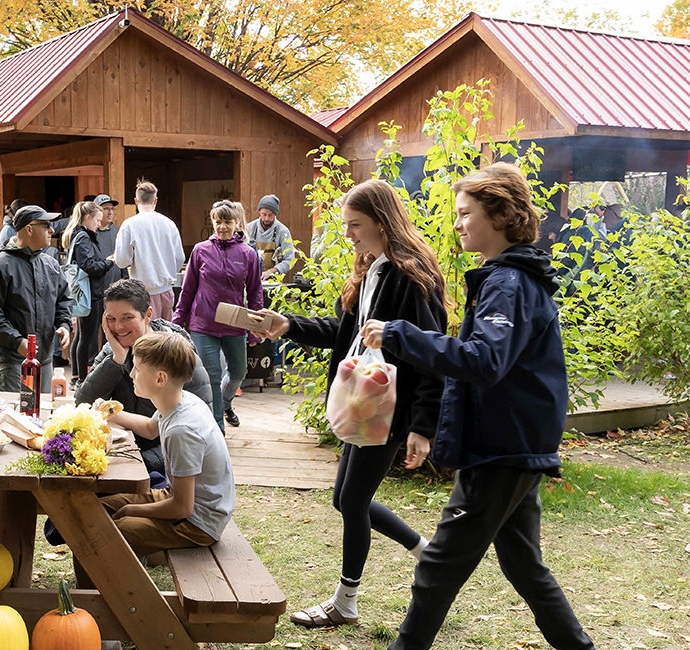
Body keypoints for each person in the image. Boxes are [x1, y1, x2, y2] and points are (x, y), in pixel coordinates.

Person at [360, 163, 595, 650]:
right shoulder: (506, 279)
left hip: (502, 447)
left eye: (466, 213)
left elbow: (485, 360)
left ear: (502, 215)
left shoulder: (507, 284)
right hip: (513, 442)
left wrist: (402, 333)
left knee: (439, 567)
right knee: (524, 565)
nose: (458, 223)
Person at [261, 179, 446, 628]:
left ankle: (346, 602)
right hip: (362, 401)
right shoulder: (371, 270)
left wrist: (422, 426)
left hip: (388, 407)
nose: (348, 234)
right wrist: (288, 324)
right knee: (346, 500)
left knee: (354, 498)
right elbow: (343, 334)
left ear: (382, 222)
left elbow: (432, 354)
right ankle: (427, 552)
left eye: (355, 225)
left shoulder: (408, 277)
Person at [101, 331, 235, 556]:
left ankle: (100, 590)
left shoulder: (182, 430)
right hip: (179, 501)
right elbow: (150, 429)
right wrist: (109, 413)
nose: (132, 374)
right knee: (100, 509)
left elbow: (183, 507)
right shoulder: (181, 400)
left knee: (107, 533)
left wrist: (132, 510)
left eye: (137, 368)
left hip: (198, 524)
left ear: (160, 378)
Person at [76, 279, 212, 476]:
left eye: (126, 318)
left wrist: (140, 462)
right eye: (111, 319)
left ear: (148, 315)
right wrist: (116, 359)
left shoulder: (179, 356)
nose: (118, 327)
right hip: (121, 452)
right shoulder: (112, 350)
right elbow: (82, 403)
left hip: (163, 467)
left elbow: (200, 433)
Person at [173, 200, 261, 431]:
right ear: (212, 222)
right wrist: (177, 321)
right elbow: (188, 289)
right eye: (218, 221)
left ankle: (225, 403)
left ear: (236, 223)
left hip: (234, 323)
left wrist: (256, 327)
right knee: (211, 375)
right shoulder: (201, 250)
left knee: (238, 373)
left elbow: (255, 292)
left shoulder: (248, 254)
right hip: (203, 323)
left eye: (227, 222)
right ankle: (217, 427)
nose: (222, 227)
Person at [0, 204, 72, 393]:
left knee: (45, 413)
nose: (52, 230)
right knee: (15, 416)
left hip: (44, 357)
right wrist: (17, 342)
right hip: (13, 359)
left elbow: (63, 299)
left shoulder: (50, 264)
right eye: (46, 225)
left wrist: (64, 325)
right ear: (29, 229)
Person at [113, 180, 185, 321]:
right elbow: (179, 258)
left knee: (145, 338)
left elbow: (122, 261)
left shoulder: (129, 225)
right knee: (165, 337)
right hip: (166, 290)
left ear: (136, 201)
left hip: (142, 292)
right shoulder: (169, 224)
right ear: (155, 200)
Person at [62, 201, 116, 386]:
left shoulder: (79, 235)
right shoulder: (84, 237)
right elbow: (89, 265)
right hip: (90, 293)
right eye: (97, 220)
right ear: (87, 217)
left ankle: (77, 375)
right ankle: (82, 379)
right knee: (87, 337)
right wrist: (109, 263)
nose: (99, 224)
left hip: (86, 291)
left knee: (81, 335)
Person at [246, 194, 295, 282]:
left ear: (275, 214)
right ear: (259, 212)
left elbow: (290, 260)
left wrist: (271, 271)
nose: (266, 218)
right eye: (264, 214)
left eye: (270, 215)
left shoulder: (283, 232)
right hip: (251, 279)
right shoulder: (249, 228)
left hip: (273, 281)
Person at [95, 193, 127, 289]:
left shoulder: (118, 232)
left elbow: (124, 259)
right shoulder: (90, 234)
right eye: (106, 209)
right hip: (96, 289)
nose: (110, 212)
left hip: (116, 289)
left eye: (112, 209)